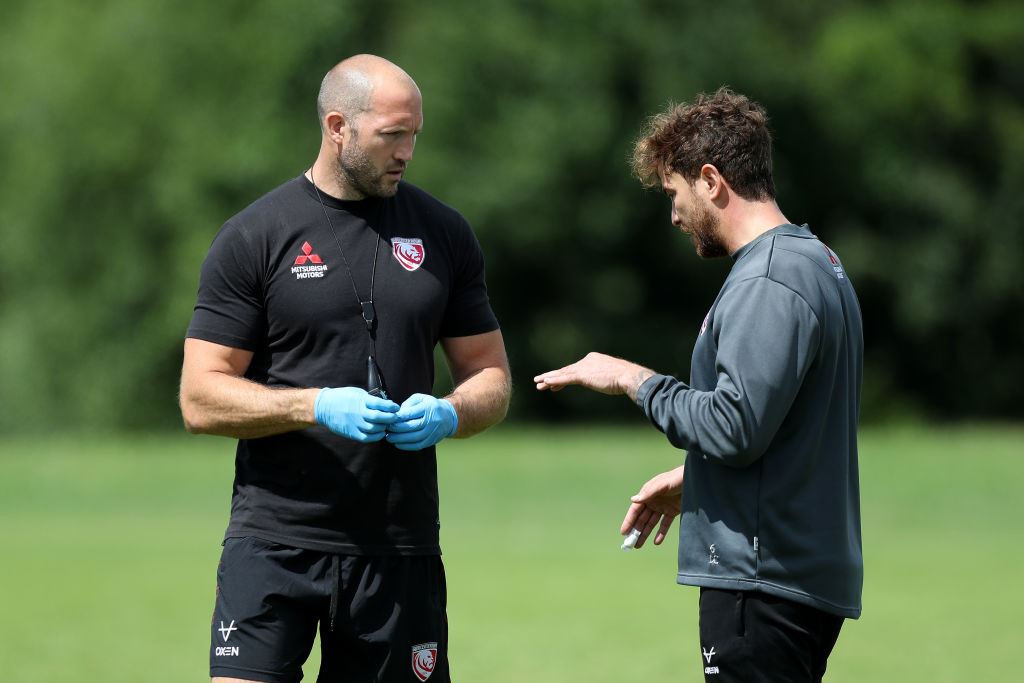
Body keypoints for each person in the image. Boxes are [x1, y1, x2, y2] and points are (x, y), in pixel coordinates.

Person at [180, 54, 511, 683]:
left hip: (397, 545)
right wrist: (313, 404)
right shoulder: (255, 235)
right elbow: (200, 397)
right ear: (338, 126)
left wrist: (449, 412)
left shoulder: (444, 232)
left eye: (414, 133)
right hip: (274, 539)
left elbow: (490, 376)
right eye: (392, 134)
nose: (407, 151)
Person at [534, 88, 863, 683]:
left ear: (710, 180)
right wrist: (700, 477)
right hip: (796, 575)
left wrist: (634, 381)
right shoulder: (816, 263)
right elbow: (785, 423)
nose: (674, 214)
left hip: (763, 583)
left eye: (674, 193)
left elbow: (735, 427)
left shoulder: (768, 277)